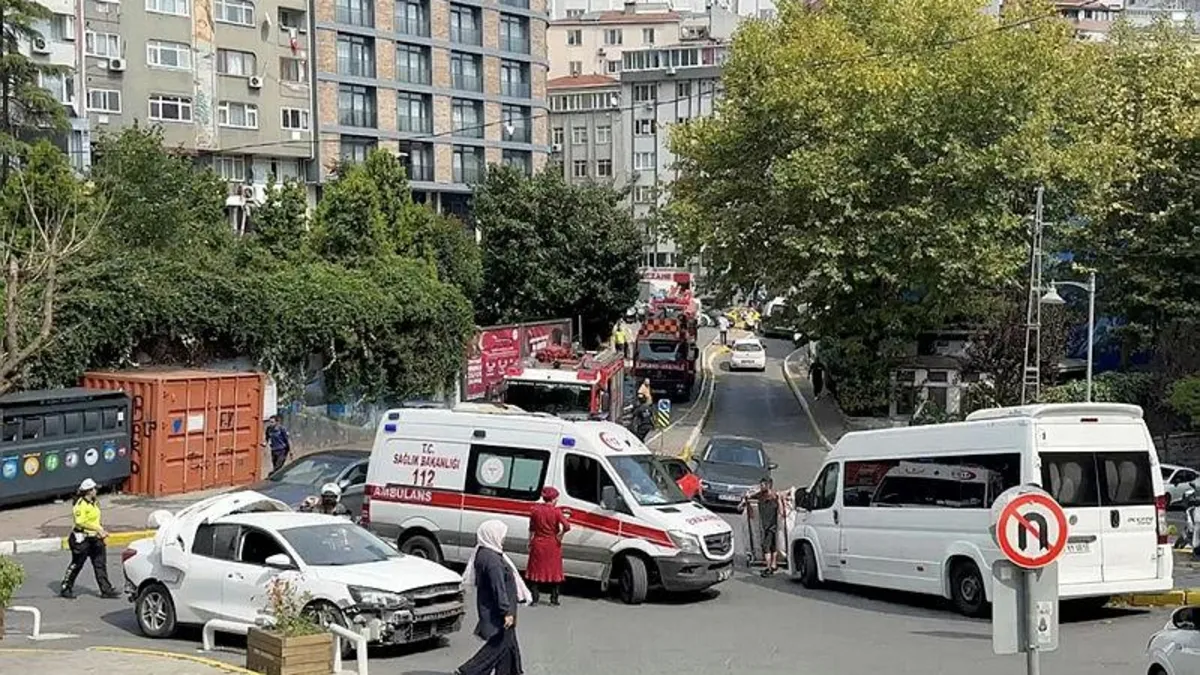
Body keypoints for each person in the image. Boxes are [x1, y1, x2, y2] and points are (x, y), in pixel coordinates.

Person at [455, 520, 531, 675]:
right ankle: (468, 671)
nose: (503, 539)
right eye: (501, 535)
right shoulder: (493, 560)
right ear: (492, 535)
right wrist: (506, 612)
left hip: (497, 607)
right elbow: (498, 588)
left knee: (509, 645)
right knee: (499, 644)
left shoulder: (484, 553)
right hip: (499, 610)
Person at [60, 478, 120, 599]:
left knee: (100, 564)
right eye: (94, 489)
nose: (96, 491)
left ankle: (106, 589)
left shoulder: (95, 502)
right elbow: (80, 522)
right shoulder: (80, 505)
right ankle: (66, 587)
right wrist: (97, 529)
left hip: (95, 538)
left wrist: (101, 530)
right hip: (82, 539)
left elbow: (95, 520)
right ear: (88, 491)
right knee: (77, 564)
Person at [526, 487, 571, 606]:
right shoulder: (556, 512)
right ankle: (554, 599)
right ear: (554, 499)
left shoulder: (535, 510)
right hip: (552, 543)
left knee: (535, 571)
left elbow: (531, 528)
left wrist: (530, 541)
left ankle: (534, 598)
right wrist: (560, 535)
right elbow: (567, 526)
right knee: (555, 571)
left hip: (538, 542)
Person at [744, 477, 782, 577]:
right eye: (761, 484)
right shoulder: (763, 495)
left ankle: (768, 568)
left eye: (763, 485)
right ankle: (773, 564)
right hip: (769, 526)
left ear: (769, 485)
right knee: (772, 546)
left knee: (766, 546)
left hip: (770, 526)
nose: (761, 486)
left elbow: (780, 509)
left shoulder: (772, 496)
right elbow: (750, 497)